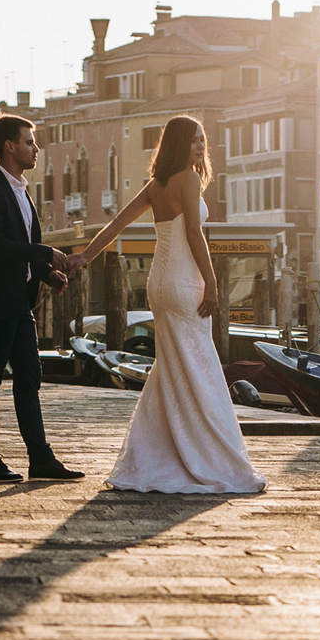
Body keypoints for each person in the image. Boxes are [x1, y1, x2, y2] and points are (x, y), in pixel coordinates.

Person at [67, 116, 265, 496]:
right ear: (177, 144)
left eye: (203, 139)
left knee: (173, 369)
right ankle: (209, 458)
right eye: (193, 141)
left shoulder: (155, 185)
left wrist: (84, 257)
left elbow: (116, 225)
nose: (201, 146)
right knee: (201, 368)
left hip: (158, 285)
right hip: (184, 283)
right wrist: (211, 282)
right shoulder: (188, 179)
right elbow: (194, 232)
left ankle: (164, 452)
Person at [0, 113, 83, 482]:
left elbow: (20, 252)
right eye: (30, 142)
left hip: (18, 301)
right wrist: (45, 253)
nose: (37, 149)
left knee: (29, 377)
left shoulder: (22, 190)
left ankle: (40, 458)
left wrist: (48, 275)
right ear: (9, 146)